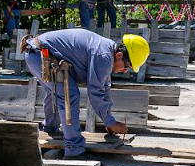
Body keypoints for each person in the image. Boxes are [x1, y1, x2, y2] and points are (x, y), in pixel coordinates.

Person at [23, 29, 150, 159]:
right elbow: (95, 92)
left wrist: (108, 121)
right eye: (126, 66)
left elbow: (104, 88)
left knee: (55, 91)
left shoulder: (106, 51)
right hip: (41, 54)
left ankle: (49, 128)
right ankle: (74, 151)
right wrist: (110, 122)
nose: (124, 71)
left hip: (36, 53)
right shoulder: (104, 56)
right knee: (69, 94)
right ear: (119, 55)